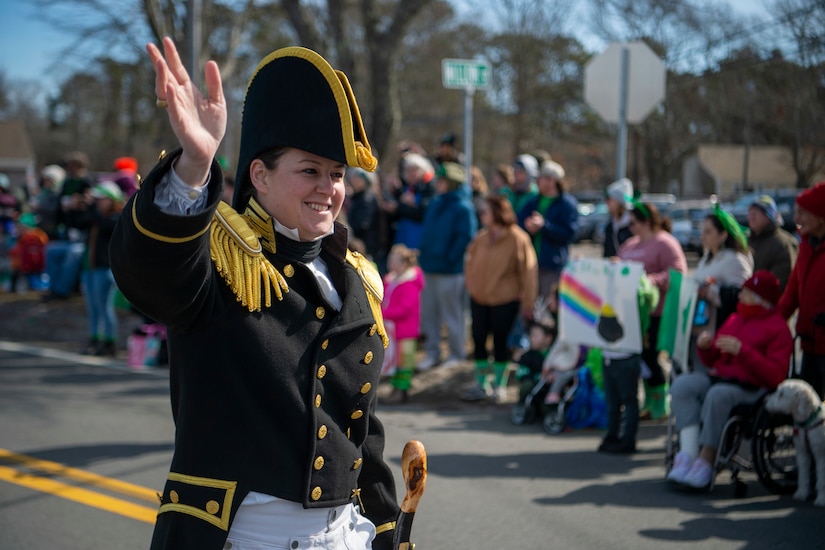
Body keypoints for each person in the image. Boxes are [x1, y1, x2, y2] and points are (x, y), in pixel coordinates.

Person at [110, 38, 400, 549]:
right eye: (309, 170)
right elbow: (150, 272)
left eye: (336, 174)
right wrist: (194, 168)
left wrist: (385, 527)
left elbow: (361, 430)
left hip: (344, 536)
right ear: (259, 176)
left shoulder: (357, 279)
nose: (328, 187)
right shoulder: (219, 260)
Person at [668, 271, 792, 489]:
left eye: (747, 292)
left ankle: (707, 460)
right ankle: (688, 453)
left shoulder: (778, 328)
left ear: (761, 299)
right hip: (723, 377)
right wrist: (705, 347)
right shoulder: (736, 318)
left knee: (718, 395)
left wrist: (743, 351)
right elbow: (713, 358)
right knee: (682, 386)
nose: (740, 295)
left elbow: (776, 375)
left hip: (752, 386)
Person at [614, 201, 687, 421]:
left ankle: (661, 403)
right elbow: (621, 266)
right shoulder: (629, 245)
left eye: (634, 222)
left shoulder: (665, 243)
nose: (631, 227)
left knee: (652, 355)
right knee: (640, 358)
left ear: (646, 221)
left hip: (656, 311)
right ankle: (647, 400)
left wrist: (648, 281)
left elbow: (677, 273)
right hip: (632, 312)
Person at [462, 195, 538, 401]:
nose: (481, 215)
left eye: (485, 211)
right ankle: (481, 384)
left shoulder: (518, 238)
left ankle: (499, 386)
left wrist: (528, 302)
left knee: (500, 343)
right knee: (478, 340)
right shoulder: (482, 237)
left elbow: (528, 272)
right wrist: (471, 283)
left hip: (505, 300)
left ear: (497, 212)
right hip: (479, 298)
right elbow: (469, 260)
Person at [416, 161, 477, 371]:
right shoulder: (435, 203)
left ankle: (456, 354)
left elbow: (465, 237)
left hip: (450, 271)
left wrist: (451, 259)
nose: (437, 184)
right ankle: (433, 353)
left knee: (453, 316)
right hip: (429, 267)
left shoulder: (463, 207)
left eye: (441, 180)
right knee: (429, 314)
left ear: (451, 183)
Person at [689, 204, 753, 368]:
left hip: (719, 332)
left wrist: (711, 292)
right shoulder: (707, 258)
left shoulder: (735, 260)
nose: (703, 236)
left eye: (708, 232)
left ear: (723, 234)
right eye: (703, 231)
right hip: (699, 327)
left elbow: (742, 298)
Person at [779, 182, 825, 398]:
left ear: (820, 216)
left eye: (803, 213)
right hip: (808, 343)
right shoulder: (807, 245)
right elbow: (793, 291)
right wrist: (774, 320)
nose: (797, 219)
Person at [518, 159, 579, 300]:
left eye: (541, 178)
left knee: (549, 309)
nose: (537, 182)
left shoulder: (567, 205)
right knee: (527, 310)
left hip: (552, 268)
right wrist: (527, 227)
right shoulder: (534, 201)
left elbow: (569, 234)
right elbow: (518, 223)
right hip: (530, 264)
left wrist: (543, 226)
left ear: (552, 181)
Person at [80, 181, 124, 356]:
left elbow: (107, 228)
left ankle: (109, 342)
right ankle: (95, 339)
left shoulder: (117, 217)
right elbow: (77, 222)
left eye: (102, 199)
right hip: (90, 267)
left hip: (105, 268)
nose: (98, 202)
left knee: (104, 307)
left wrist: (92, 208)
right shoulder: (96, 217)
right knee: (93, 308)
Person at [44, 151, 94, 300]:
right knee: (51, 250)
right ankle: (53, 288)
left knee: (72, 255)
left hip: (83, 236)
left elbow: (92, 208)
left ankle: (63, 290)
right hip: (68, 231)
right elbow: (60, 204)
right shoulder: (67, 182)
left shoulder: (87, 182)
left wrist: (79, 203)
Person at [380, 244, 424, 404]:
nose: (391, 264)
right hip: (393, 329)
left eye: (395, 261)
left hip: (405, 330)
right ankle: (395, 389)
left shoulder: (409, 283)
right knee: (395, 361)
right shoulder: (391, 279)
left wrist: (382, 313)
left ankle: (402, 391)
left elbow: (404, 308)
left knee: (404, 362)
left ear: (405, 264)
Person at [748, 195, 798, 293]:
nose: (751, 217)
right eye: (750, 212)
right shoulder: (748, 240)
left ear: (769, 216)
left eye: (756, 213)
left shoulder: (784, 243)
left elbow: (782, 280)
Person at [385, 152, 435, 250]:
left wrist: (399, 207)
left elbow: (423, 213)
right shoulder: (406, 188)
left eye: (414, 170)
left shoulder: (430, 188)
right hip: (402, 238)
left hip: (419, 240)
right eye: (407, 171)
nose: (410, 174)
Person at [345, 168, 382, 262]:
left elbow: (363, 223)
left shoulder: (367, 198)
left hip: (366, 244)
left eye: (357, 178)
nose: (354, 181)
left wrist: (348, 230)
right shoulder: (356, 196)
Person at [31, 164, 65, 240]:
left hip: (53, 229)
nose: (46, 182)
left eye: (49, 180)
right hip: (41, 227)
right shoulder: (43, 192)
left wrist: (40, 205)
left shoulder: (58, 194)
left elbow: (53, 209)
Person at [602, 178, 634, 258]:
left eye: (609, 199)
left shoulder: (633, 225)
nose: (607, 202)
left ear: (618, 201)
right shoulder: (610, 226)